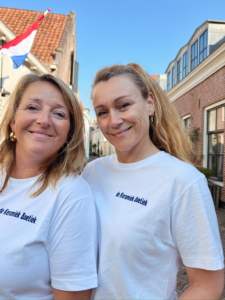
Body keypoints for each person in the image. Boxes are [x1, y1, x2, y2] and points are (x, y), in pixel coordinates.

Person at [82, 63, 224, 300]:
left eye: (123, 105)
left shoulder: (183, 181)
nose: (113, 120)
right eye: (103, 112)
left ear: (149, 103)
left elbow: (207, 286)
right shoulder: (92, 172)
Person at [0, 74, 97, 300]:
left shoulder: (71, 195)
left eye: (59, 114)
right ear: (13, 120)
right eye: (33, 107)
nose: (44, 120)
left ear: (69, 134)